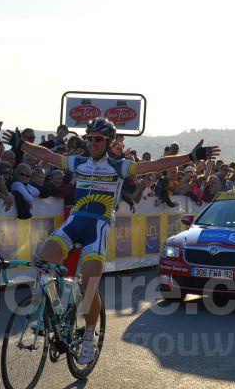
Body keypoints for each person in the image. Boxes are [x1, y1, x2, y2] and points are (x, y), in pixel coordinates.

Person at [20, 117, 219, 365]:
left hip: (98, 228)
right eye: (89, 138)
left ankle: (89, 339)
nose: (92, 143)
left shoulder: (119, 166)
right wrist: (23, 145)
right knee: (42, 262)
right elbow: (48, 156)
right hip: (74, 223)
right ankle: (47, 310)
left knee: (88, 285)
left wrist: (191, 156)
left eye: (97, 139)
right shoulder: (78, 162)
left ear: (109, 142)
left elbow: (156, 164)